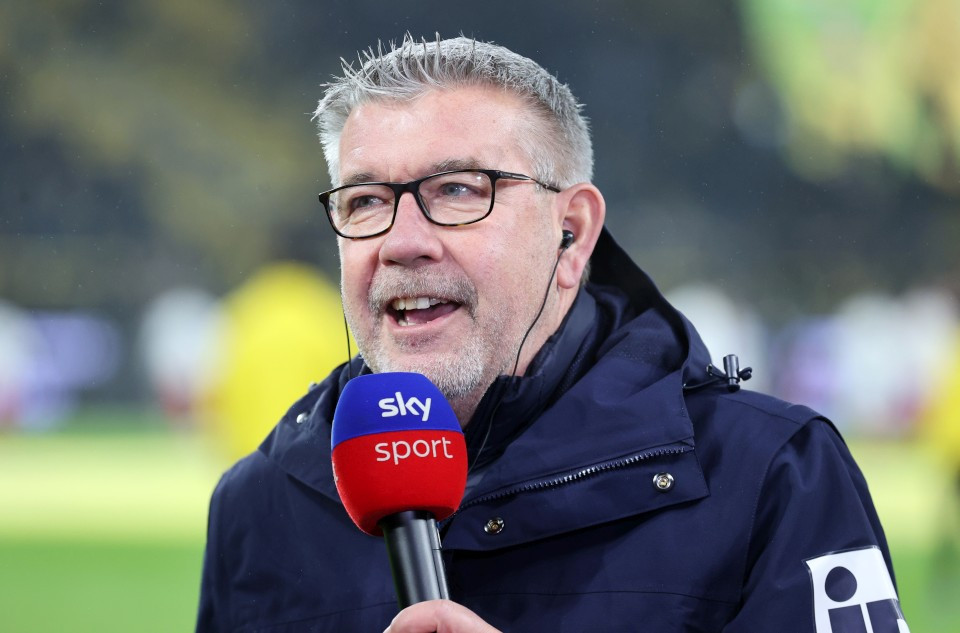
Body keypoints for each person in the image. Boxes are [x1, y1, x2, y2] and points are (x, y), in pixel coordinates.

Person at [197, 35, 908, 632]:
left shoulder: (770, 473)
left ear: (571, 234)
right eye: (365, 201)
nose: (401, 241)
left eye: (458, 190)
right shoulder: (260, 504)